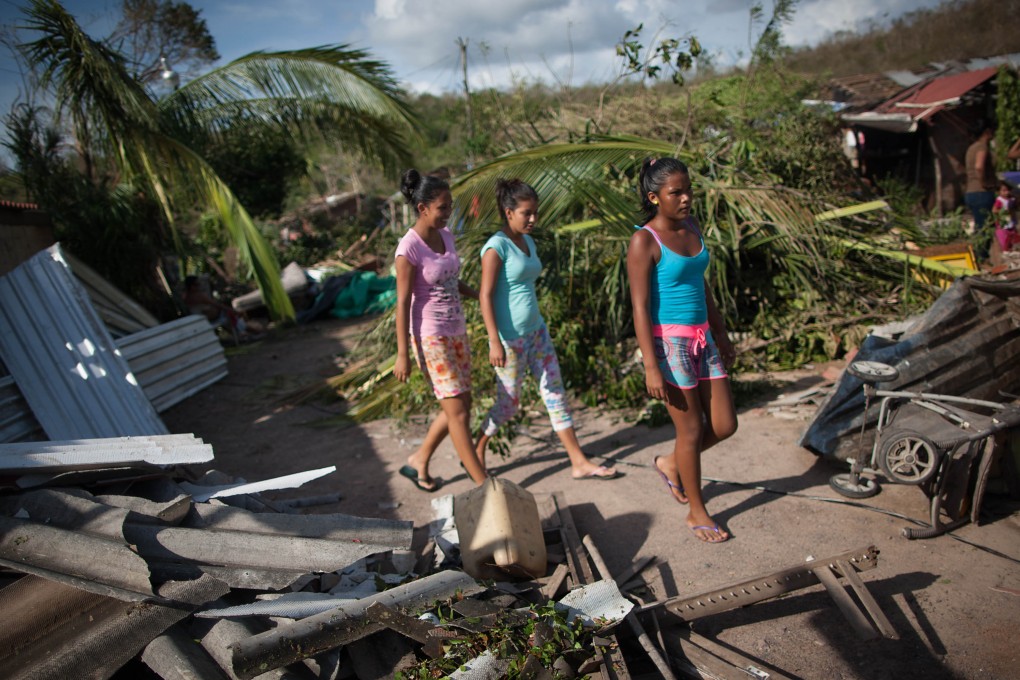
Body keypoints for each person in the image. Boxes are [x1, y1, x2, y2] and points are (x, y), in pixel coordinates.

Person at [473, 179, 619, 481]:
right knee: (509, 403)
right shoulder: (495, 247)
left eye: (535, 212)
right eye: (526, 213)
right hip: (509, 340)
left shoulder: (529, 242)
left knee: (555, 393)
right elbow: (485, 295)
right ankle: (476, 449)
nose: (533, 219)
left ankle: (578, 461)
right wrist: (493, 342)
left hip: (536, 332)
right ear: (508, 211)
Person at [626, 157, 737, 544]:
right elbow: (639, 307)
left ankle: (671, 464)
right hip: (669, 345)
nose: (687, 198)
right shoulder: (644, 240)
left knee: (724, 425)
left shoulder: (692, 227)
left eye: (688, 189)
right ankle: (697, 511)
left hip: (703, 338)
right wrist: (651, 366)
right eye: (677, 192)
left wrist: (721, 333)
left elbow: (700, 285)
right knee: (690, 430)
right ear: (654, 197)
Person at [394, 169, 487, 491]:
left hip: (456, 330)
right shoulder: (409, 249)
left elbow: (449, 279)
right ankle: (483, 484)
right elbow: (403, 302)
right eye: (443, 208)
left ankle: (419, 459)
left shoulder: (446, 235)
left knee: (462, 405)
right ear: (422, 208)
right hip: (430, 336)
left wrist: (480, 295)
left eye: (450, 206)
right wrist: (402, 354)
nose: (449, 213)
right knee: (457, 413)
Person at [964, 123, 997, 260]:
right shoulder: (981, 147)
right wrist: (985, 183)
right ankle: (981, 256)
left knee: (979, 225)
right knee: (985, 226)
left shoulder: (971, 148)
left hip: (971, 192)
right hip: (981, 192)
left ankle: (979, 255)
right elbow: (979, 167)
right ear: (987, 131)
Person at [183, 275, 249, 337]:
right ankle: (241, 332)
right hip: (210, 319)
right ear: (192, 286)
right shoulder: (199, 296)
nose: (199, 286)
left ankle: (240, 332)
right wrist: (232, 311)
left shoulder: (185, 297)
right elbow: (216, 305)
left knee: (228, 315)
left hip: (204, 319)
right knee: (228, 313)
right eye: (197, 284)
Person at [992, 180, 1019, 256]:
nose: (1006, 193)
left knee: (1012, 235)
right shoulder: (1000, 200)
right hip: (1003, 222)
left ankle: (1011, 249)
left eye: (1008, 190)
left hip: (1011, 221)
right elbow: (994, 210)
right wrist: (1002, 211)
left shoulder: (1012, 199)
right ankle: (1005, 250)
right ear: (999, 191)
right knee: (1004, 237)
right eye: (1004, 191)